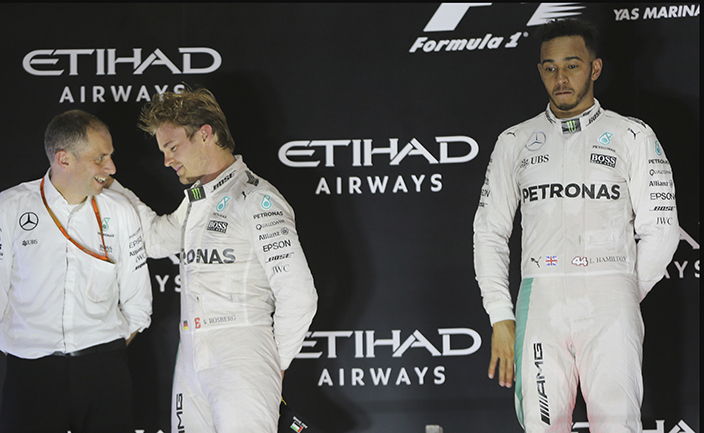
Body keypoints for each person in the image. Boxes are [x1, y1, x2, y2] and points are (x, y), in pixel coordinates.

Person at [472, 19, 679, 433]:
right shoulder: (515, 140)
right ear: (540, 71)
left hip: (612, 299)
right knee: (542, 425)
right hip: (540, 301)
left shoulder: (631, 135)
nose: (560, 78)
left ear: (595, 68)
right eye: (550, 67)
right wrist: (500, 314)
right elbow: (489, 231)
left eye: (572, 65)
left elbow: (662, 228)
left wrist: (620, 289)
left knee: (618, 425)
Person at [108, 87, 318, 432]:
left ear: (205, 134)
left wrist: (272, 362)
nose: (166, 161)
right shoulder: (196, 200)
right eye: (162, 151)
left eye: (172, 147)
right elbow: (154, 239)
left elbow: (299, 295)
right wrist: (106, 183)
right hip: (191, 351)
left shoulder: (256, 198)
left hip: (243, 352)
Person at [0, 110, 152, 432]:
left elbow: (139, 307)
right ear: (64, 159)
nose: (111, 169)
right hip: (31, 375)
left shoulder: (121, 212)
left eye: (110, 156)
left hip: (105, 372)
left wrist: (98, 349)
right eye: (100, 158)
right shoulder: (10, 208)